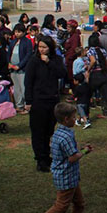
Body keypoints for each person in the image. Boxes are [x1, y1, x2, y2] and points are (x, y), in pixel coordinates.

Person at [22, 102, 97, 213]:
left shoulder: (60, 133)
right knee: (61, 206)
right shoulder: (66, 137)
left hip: (70, 176)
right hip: (66, 176)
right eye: (74, 117)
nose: (75, 119)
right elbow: (72, 157)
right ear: (66, 119)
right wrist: (85, 151)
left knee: (79, 202)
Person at [25, 35, 68, 172]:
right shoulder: (34, 61)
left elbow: (62, 73)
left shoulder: (56, 60)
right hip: (38, 100)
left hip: (52, 99)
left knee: (49, 129)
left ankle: (47, 154)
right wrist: (28, 101)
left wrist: (49, 62)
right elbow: (28, 81)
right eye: (40, 47)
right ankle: (40, 158)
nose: (42, 50)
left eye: (44, 47)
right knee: (38, 131)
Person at [8, 24, 33, 112]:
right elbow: (9, 53)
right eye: (15, 32)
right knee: (16, 88)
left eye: (19, 32)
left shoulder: (27, 42)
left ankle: (27, 105)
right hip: (13, 69)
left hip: (22, 69)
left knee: (24, 87)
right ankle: (19, 105)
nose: (17, 34)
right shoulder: (13, 42)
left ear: (23, 32)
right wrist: (9, 64)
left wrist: (19, 66)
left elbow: (28, 55)